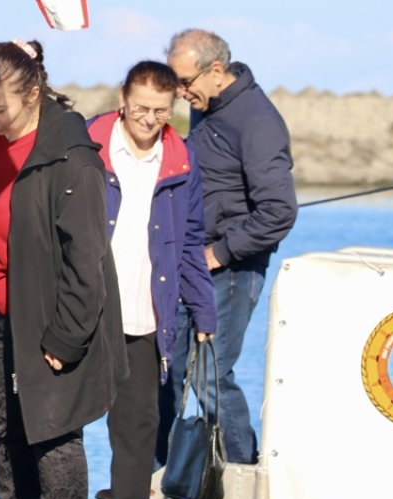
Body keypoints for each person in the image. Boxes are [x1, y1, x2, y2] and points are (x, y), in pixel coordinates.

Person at [0, 39, 125, 499]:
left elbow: (87, 256)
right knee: (6, 433)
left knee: (53, 434)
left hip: (52, 319)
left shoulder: (69, 154)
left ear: (32, 93)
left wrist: (67, 337)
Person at [85, 61, 216, 499]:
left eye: (160, 111)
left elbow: (190, 242)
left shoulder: (182, 160)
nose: (148, 118)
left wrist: (203, 311)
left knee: (138, 423)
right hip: (87, 309)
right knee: (65, 418)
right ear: (124, 98)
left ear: (172, 108)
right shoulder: (88, 145)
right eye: (140, 107)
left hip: (146, 311)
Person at [164, 29, 298, 464]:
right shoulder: (210, 107)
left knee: (211, 376)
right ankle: (152, 476)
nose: (180, 93)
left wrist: (217, 254)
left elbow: (279, 211)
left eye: (185, 82)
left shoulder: (257, 121)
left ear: (216, 71)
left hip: (233, 270)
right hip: (193, 260)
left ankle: (245, 474)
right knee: (170, 367)